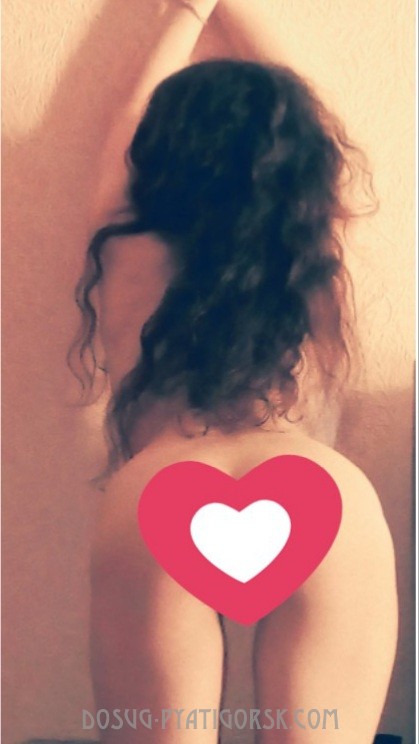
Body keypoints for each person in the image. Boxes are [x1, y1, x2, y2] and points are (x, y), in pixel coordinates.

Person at [67, 1, 398, 742]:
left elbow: (129, 119)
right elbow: (317, 136)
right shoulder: (309, 247)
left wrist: (189, 10)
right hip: (319, 491)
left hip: (163, 491)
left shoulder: (124, 246)